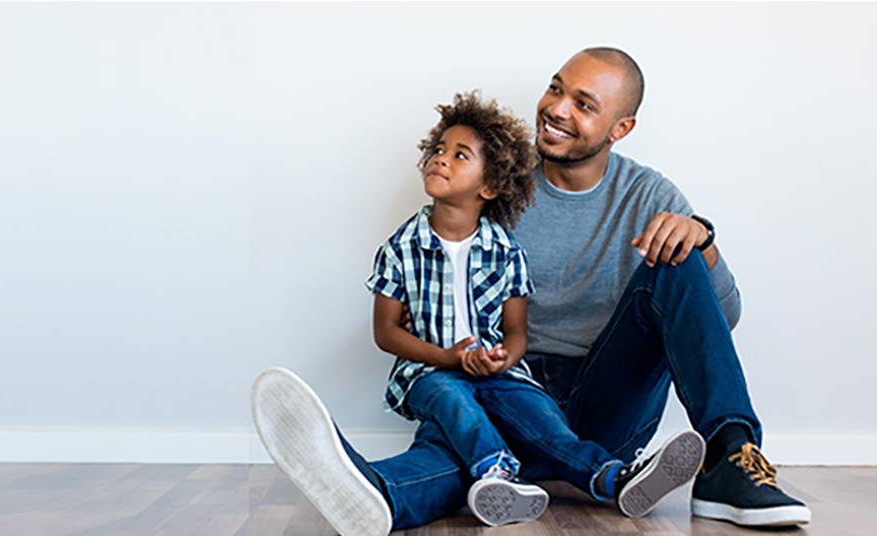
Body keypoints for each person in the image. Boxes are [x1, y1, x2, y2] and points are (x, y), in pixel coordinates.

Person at [251, 91, 703, 536]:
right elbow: (385, 333)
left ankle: (614, 478)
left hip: (497, 374)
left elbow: (517, 332)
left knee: (541, 418)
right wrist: (449, 358)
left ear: (489, 187)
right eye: (438, 149)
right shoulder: (401, 249)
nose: (441, 158)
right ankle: (496, 474)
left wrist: (504, 358)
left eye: (459, 155)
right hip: (429, 373)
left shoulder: (506, 251)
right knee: (455, 403)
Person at [499, 46, 813, 527]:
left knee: (679, 256)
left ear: (620, 129)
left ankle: (730, 457)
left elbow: (722, 318)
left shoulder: (649, 194)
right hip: (513, 397)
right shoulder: (496, 184)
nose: (557, 109)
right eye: (555, 88)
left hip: (608, 408)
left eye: (583, 104)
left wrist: (702, 241)